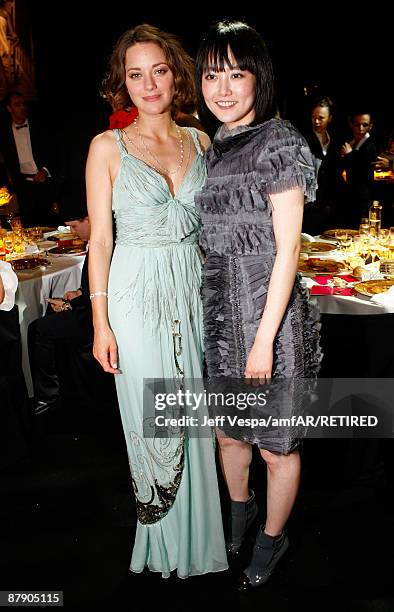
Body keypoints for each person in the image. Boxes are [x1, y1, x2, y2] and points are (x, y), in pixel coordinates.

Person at [85, 24, 227, 578]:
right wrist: (100, 322)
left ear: (177, 76)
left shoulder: (201, 141)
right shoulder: (106, 147)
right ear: (122, 83)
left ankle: (198, 544)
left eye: (159, 71)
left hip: (193, 288)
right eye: (135, 74)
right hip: (136, 294)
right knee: (154, 420)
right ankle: (162, 544)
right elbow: (100, 240)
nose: (148, 84)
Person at [195, 20, 321, 590]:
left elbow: (288, 248)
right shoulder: (215, 144)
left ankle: (273, 538)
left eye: (236, 74)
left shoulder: (282, 141)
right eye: (212, 74)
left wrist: (265, 337)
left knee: (275, 444)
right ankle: (239, 514)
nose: (222, 88)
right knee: (230, 434)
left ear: (259, 78)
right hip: (221, 313)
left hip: (268, 318)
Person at [28, 204, 92, 415]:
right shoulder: (94, 242)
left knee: (38, 328)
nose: (72, 232)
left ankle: (48, 398)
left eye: (74, 226)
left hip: (93, 319)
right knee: (46, 318)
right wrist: (77, 295)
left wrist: (69, 305)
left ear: (88, 219)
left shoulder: (102, 244)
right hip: (87, 307)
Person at [0, 91, 60, 226]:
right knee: (29, 225)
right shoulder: (5, 133)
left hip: (44, 183)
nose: (23, 108)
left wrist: (45, 170)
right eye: (17, 105)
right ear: (9, 108)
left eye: (23, 104)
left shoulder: (39, 126)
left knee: (50, 224)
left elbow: (54, 151)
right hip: (23, 186)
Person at [302, 95, 340, 234]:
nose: (316, 121)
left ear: (329, 118)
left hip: (330, 203)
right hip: (310, 204)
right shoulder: (304, 140)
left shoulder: (335, 140)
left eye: (321, 118)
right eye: (313, 117)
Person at [338, 110, 377, 227]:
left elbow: (364, 173)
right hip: (351, 199)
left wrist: (349, 155)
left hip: (363, 200)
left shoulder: (370, 145)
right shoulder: (354, 143)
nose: (361, 128)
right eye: (357, 125)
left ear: (370, 126)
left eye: (364, 125)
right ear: (351, 125)